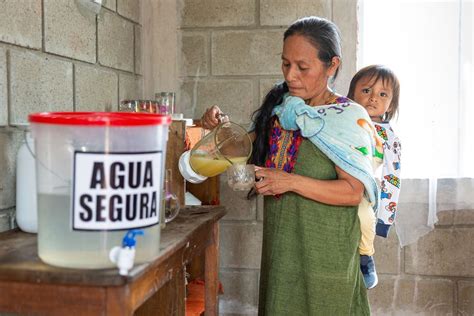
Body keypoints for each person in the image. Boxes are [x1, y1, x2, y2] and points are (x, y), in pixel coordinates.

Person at [201, 16, 374, 315]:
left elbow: (351, 192)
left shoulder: (348, 118)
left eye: (303, 67)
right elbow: (242, 148)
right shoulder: (283, 108)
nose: (291, 75)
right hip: (282, 253)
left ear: (332, 65)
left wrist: (290, 181)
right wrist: (221, 126)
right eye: (285, 64)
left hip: (326, 257)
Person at [347, 64, 402, 289]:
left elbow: (392, 176)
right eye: (366, 90)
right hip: (331, 179)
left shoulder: (389, 137)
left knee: (365, 217)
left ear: (391, 103)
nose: (373, 98)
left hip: (362, 188)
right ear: (351, 95)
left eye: (382, 94)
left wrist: (385, 218)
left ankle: (366, 257)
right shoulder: (344, 119)